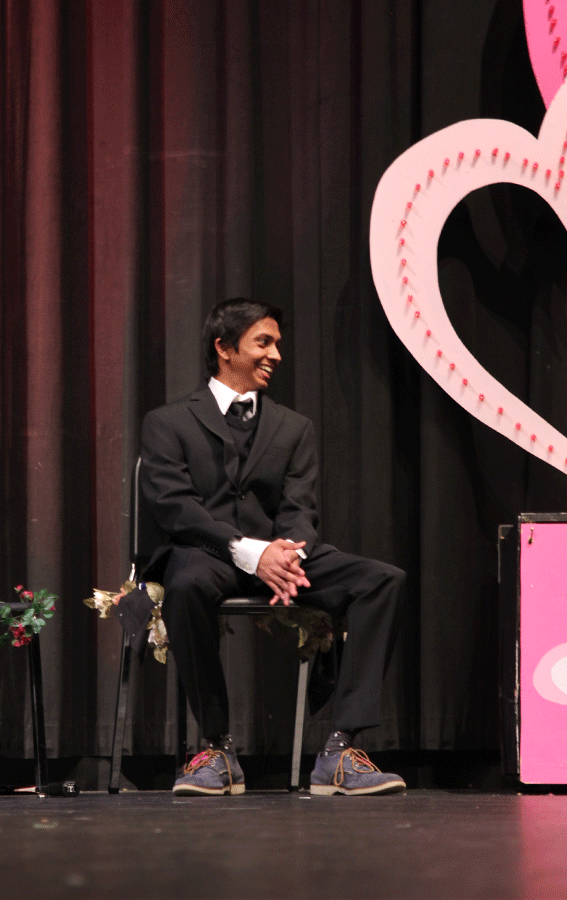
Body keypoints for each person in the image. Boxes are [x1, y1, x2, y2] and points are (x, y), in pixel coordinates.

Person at [140, 298, 406, 796]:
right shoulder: (168, 422)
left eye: (277, 343)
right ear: (224, 348)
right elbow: (175, 507)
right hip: (207, 553)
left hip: (279, 557)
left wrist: (288, 552)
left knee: (381, 580)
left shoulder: (292, 427)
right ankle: (217, 749)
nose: (276, 354)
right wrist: (247, 551)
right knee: (186, 583)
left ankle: (339, 751)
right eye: (264, 342)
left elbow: (299, 507)